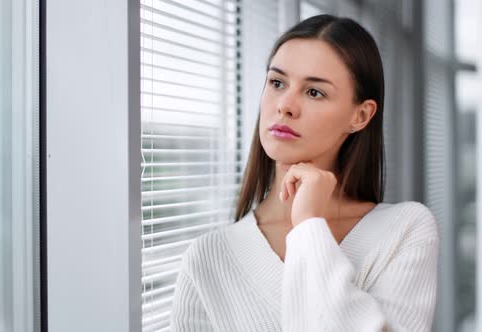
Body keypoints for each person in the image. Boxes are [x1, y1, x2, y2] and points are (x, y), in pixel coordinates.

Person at [169, 14, 439, 332]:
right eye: (277, 83)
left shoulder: (405, 231)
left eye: (314, 92)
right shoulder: (209, 257)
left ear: (360, 115)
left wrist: (310, 226)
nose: (285, 105)